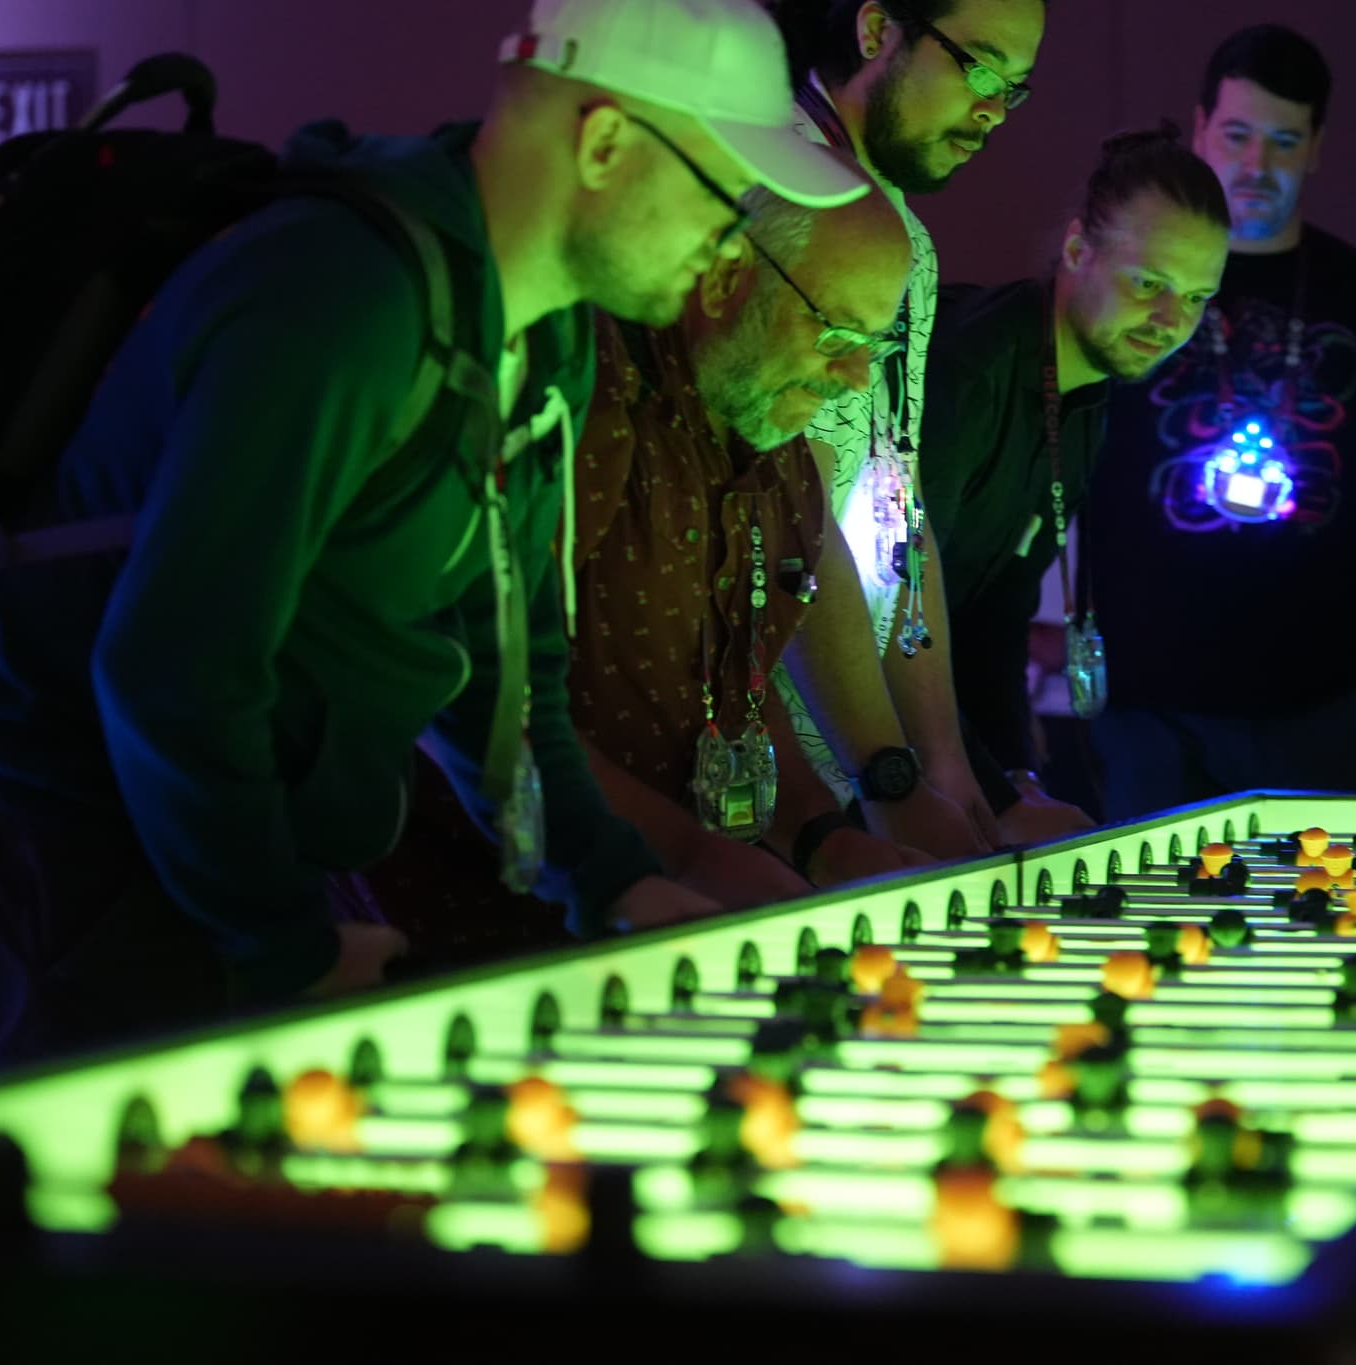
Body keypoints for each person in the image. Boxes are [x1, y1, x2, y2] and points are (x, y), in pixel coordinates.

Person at [0, 0, 867, 1076]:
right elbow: (170, 667)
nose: (726, 239)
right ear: (604, 143)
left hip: (227, 838)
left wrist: (614, 879)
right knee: (81, 1226)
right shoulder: (339, 296)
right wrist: (281, 939)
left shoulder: (543, 337)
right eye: (721, 193)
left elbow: (503, 681)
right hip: (61, 839)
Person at [373, 180, 961, 962]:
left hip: (681, 928)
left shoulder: (785, 459)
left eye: (875, 348)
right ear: (724, 280)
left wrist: (826, 839)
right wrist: (695, 856)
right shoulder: (590, 401)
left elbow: (739, 696)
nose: (854, 377)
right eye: (833, 332)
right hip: (491, 935)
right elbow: (471, 691)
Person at [1083, 25, 1356, 816]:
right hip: (1147, 715)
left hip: (1330, 713)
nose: (1257, 166)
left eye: (1284, 141)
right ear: (1199, 129)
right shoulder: (1134, 284)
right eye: (1238, 135)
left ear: (1317, 146)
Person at [767, 0, 1048, 848]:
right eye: (982, 68)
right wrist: (887, 775)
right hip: (758, 786)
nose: (995, 110)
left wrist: (947, 768)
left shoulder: (908, 243)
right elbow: (792, 520)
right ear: (874, 28)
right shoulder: (779, 185)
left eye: (1017, 89)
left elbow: (900, 515)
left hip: (851, 774)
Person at [920, 124, 1229, 843]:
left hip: (938, 745)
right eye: (1148, 283)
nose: (1168, 321)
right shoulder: (971, 372)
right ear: (1075, 249)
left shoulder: (1087, 395)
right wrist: (995, 793)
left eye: (1194, 297)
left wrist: (1016, 777)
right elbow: (889, 614)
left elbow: (998, 613)